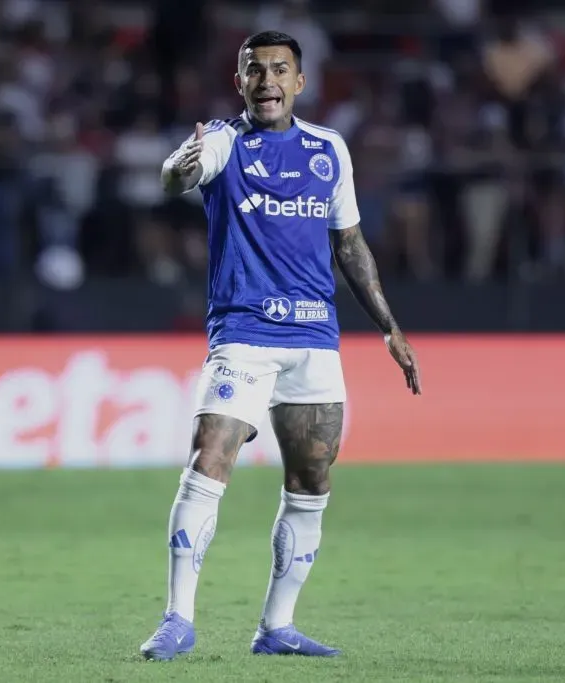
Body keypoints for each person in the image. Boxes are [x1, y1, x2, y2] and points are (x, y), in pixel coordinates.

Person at [140, 31, 422, 661]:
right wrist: (179, 165)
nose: (267, 80)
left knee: (312, 479)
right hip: (243, 335)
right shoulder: (221, 142)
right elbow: (170, 181)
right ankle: (177, 619)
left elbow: (348, 244)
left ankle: (277, 627)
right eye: (254, 70)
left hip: (314, 340)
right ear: (239, 82)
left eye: (279, 70)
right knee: (210, 457)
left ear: (299, 81)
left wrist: (388, 327)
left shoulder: (329, 151)